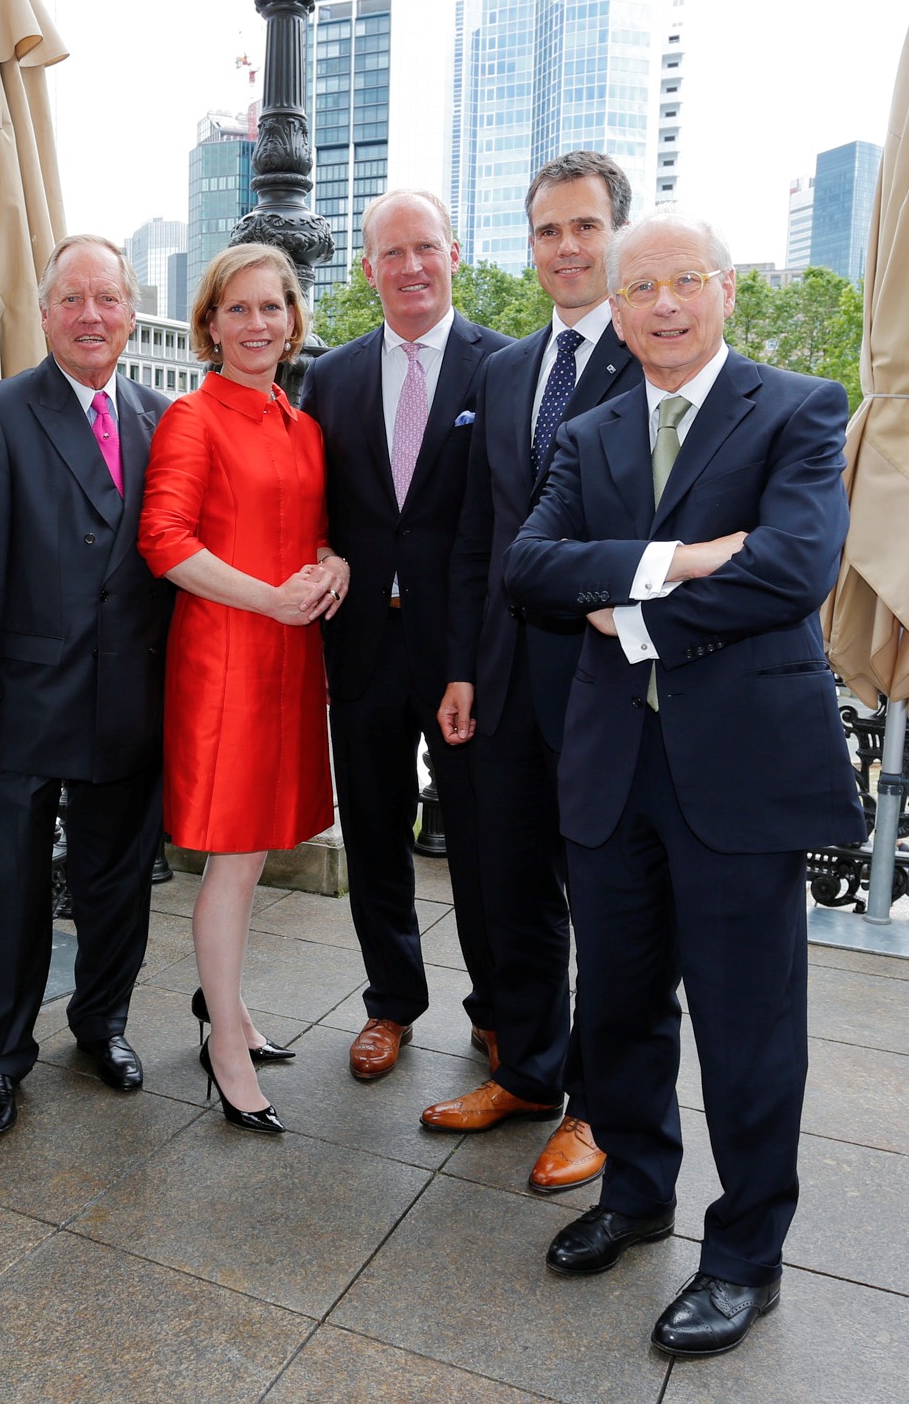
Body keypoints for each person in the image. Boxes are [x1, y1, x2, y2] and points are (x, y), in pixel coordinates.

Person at [505, 209, 864, 1357]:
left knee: (751, 1024)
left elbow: (795, 567)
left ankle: (746, 1252)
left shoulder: (799, 408)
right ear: (616, 307)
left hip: (742, 773)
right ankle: (637, 1189)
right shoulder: (595, 428)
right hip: (613, 768)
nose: (664, 303)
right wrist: (682, 558)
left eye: (685, 280)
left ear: (726, 291)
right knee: (616, 1003)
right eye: (641, 285)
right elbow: (529, 565)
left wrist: (632, 615)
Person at [425, 152, 640, 1190]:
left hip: (610, 684)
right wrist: (464, 667)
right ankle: (529, 1068)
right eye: (549, 230)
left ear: (617, 236)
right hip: (504, 680)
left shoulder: (653, 356)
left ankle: (601, 1105)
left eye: (585, 227)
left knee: (608, 901)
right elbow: (478, 535)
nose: (566, 247)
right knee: (508, 889)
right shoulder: (502, 369)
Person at [0, 234, 172, 1138]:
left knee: (120, 884)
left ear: (129, 310)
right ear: (43, 315)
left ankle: (101, 1025)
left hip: (130, 701)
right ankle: (0, 1055)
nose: (90, 316)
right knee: (12, 894)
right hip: (21, 705)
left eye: (107, 299)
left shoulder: (163, 415)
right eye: (71, 300)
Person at [298, 190, 511, 1083]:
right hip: (363, 649)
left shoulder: (505, 369)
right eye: (393, 253)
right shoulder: (330, 377)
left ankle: (500, 1008)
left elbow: (508, 515)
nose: (412, 266)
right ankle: (392, 1002)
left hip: (464, 653)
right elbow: (310, 503)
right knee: (377, 835)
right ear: (367, 269)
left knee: (481, 837)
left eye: (427, 248)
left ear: (455, 255)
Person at [138, 244, 339, 1133]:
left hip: (289, 660)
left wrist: (331, 565)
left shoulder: (301, 422)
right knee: (231, 855)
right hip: (225, 658)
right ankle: (224, 1041)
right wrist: (271, 598)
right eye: (239, 309)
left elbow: (316, 532)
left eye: (274, 307)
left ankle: (231, 1007)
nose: (259, 325)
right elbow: (164, 540)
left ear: (294, 319)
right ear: (210, 324)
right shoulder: (193, 417)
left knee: (252, 852)